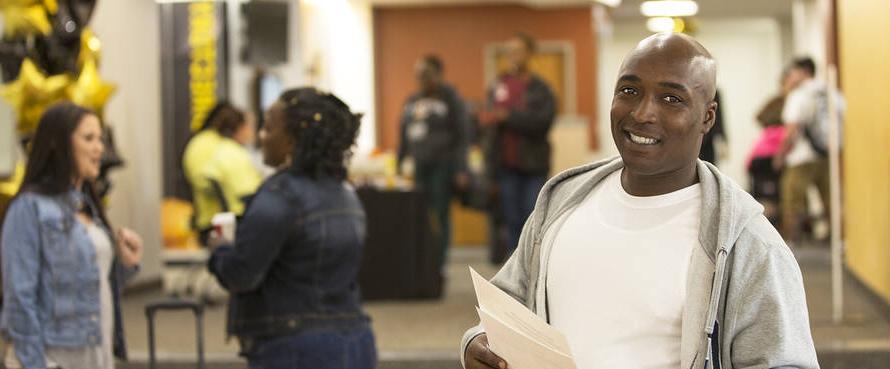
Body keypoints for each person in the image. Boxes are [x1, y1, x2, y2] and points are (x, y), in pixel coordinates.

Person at [461, 33, 818, 369]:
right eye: (629, 90)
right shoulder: (561, 203)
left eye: (671, 98)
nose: (643, 113)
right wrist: (479, 341)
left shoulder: (748, 242)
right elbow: (508, 303)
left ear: (707, 117)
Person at [208, 88, 376, 369]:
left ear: (291, 140)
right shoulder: (346, 195)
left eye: (268, 127)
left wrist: (220, 251)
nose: (261, 136)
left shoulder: (279, 195)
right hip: (356, 341)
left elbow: (242, 275)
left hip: (295, 348)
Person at [1, 102, 143, 369]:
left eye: (100, 139)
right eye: (88, 138)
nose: (99, 148)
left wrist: (126, 263)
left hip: (98, 354)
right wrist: (36, 363)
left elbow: (92, 286)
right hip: (55, 357)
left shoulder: (89, 207)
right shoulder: (29, 208)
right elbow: (19, 298)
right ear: (58, 144)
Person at [479, 33, 556, 257]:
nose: (513, 55)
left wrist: (508, 116)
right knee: (510, 219)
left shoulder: (540, 89)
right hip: (504, 166)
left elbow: (542, 123)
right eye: (510, 50)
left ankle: (533, 270)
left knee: (531, 219)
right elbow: (490, 120)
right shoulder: (498, 85)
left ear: (530, 54)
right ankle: (514, 277)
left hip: (533, 166)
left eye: (518, 50)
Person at [397, 55, 468, 266]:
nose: (421, 79)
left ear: (438, 74)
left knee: (440, 213)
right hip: (418, 165)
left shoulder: (450, 99)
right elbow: (403, 133)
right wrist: (400, 162)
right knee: (419, 212)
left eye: (425, 74)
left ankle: (440, 261)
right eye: (418, 75)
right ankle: (423, 259)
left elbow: (462, 136)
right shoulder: (411, 101)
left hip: (442, 165)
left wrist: (461, 169)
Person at [773, 57, 844, 244]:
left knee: (791, 199)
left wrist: (780, 155)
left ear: (804, 72)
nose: (790, 76)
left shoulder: (799, 95)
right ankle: (836, 240)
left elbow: (791, 130)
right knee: (830, 199)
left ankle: (791, 243)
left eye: (793, 72)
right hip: (828, 155)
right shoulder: (830, 92)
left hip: (802, 157)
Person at [182, 102, 262, 245]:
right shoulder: (228, 150)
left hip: (208, 221)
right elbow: (250, 193)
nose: (252, 133)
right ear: (238, 126)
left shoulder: (202, 142)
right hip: (229, 224)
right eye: (249, 127)